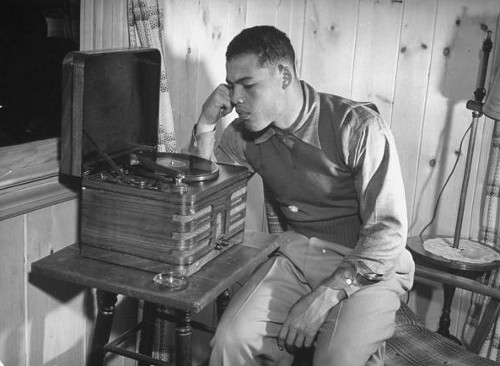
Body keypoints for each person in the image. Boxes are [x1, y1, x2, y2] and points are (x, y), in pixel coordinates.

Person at [189, 25, 414, 366]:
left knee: (336, 358)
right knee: (230, 341)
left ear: (284, 76)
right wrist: (206, 124)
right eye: (232, 85)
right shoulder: (243, 136)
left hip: (368, 265)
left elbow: (389, 232)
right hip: (295, 256)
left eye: (248, 85)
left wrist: (324, 297)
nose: (235, 98)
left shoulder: (357, 127)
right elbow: (204, 199)